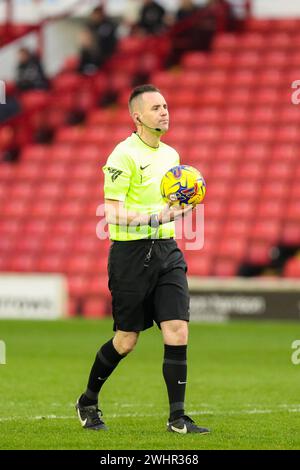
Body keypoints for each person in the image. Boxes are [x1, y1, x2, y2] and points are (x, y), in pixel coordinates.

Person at [75, 84, 210, 435]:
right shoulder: (122, 156)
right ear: (137, 117)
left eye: (166, 105)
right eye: (156, 108)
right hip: (131, 256)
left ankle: (177, 418)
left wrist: (179, 209)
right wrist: (156, 216)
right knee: (126, 340)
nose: (164, 112)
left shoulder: (171, 155)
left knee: (177, 329)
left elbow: (168, 208)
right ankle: (88, 400)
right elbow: (113, 214)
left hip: (166, 250)